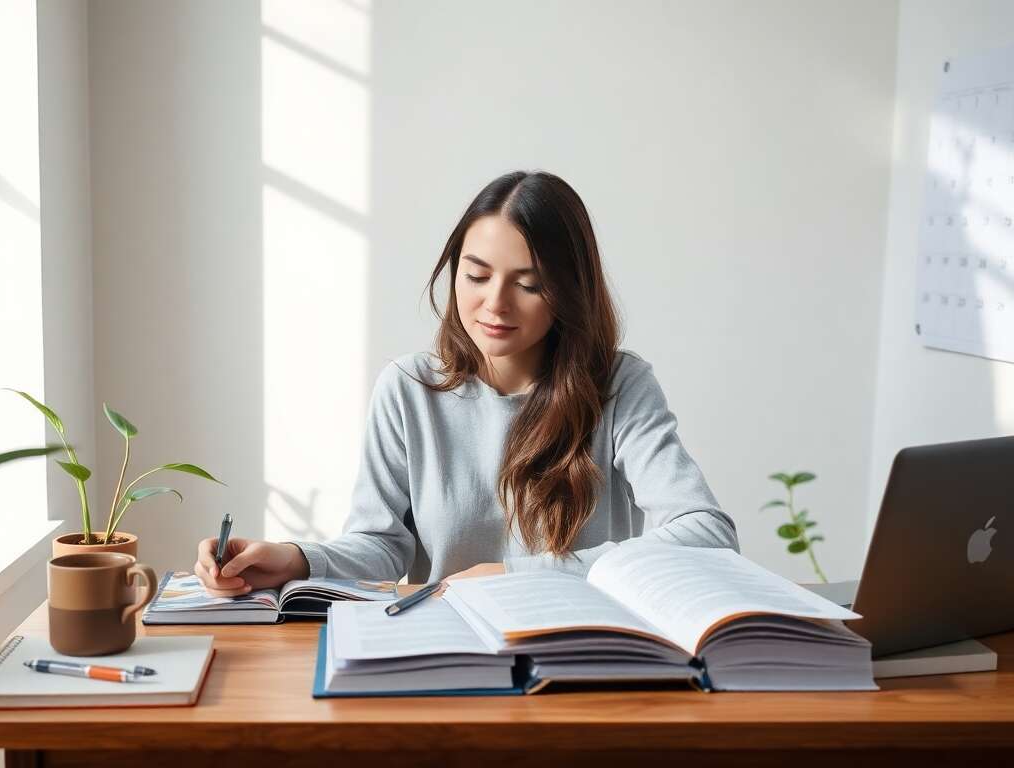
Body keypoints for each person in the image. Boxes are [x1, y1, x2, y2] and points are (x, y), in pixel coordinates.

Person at [194, 170, 737, 596]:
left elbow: (705, 533)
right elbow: (381, 546)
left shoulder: (620, 384)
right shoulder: (408, 388)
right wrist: (296, 559)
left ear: (569, 293)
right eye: (476, 276)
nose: (494, 304)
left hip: (579, 651)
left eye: (529, 285)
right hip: (449, 649)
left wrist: (519, 575)